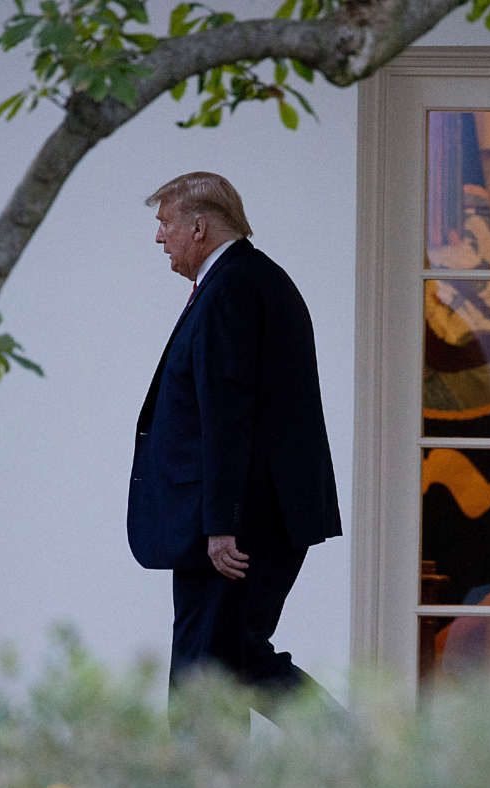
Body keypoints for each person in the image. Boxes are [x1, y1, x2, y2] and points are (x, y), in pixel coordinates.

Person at [127, 171, 342, 725]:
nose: (159, 237)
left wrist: (222, 522)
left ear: (199, 227)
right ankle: (350, 751)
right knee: (219, 664)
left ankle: (351, 751)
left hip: (236, 528)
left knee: (212, 671)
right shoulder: (244, 281)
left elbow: (228, 413)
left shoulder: (236, 288)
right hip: (236, 519)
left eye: (165, 223)